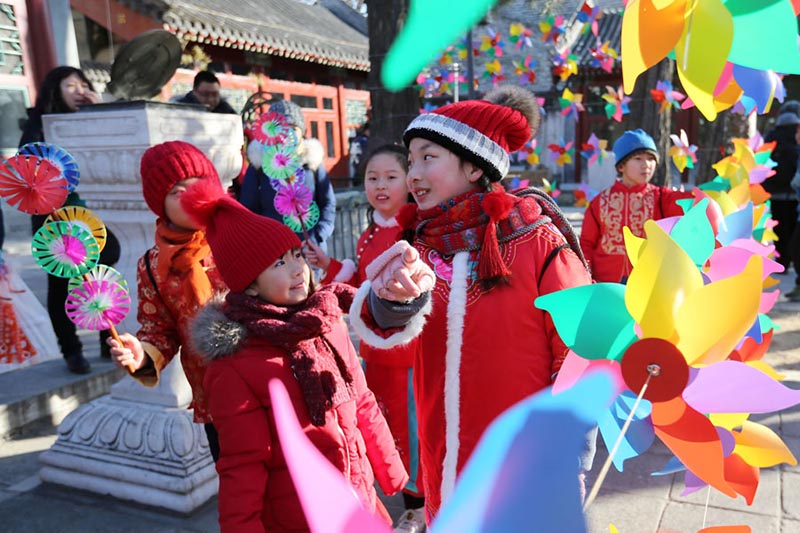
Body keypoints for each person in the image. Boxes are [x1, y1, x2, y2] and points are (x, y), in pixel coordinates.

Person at [347, 86, 594, 520]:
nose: (413, 176)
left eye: (428, 158)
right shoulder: (418, 245)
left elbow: (579, 348)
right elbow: (384, 332)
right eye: (412, 161)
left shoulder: (536, 239)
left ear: (475, 166)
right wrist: (396, 304)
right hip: (442, 461)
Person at [181, 179, 408, 532]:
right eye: (278, 264)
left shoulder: (326, 323)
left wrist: (391, 473)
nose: (297, 269)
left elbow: (362, 401)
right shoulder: (236, 367)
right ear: (249, 283)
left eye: (297, 255)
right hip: (301, 516)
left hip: (359, 500)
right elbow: (243, 464)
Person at [304, 145, 426, 533]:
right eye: (372, 178)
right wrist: (328, 267)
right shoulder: (369, 232)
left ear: (409, 182)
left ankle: (419, 503)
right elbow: (360, 286)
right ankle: (398, 493)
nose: (380, 185)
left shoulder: (417, 231)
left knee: (412, 426)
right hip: (374, 349)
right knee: (384, 426)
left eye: (391, 177)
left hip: (410, 351)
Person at [106, 141, 227, 460]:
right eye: (177, 191)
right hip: (218, 401)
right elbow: (160, 330)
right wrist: (140, 354)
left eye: (199, 185)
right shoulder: (152, 266)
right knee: (241, 493)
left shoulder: (240, 238)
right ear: (160, 205)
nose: (191, 196)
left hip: (272, 385)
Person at [19, 65, 121, 374]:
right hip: (54, 216)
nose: (79, 90)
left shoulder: (92, 119)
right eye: (70, 85)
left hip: (94, 211)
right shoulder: (39, 124)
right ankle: (72, 350)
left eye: (82, 84)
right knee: (61, 281)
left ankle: (108, 337)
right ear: (54, 90)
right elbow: (26, 165)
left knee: (103, 270)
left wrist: (99, 110)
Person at [580, 129, 693, 283]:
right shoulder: (599, 202)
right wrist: (586, 277)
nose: (646, 165)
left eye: (651, 159)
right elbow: (586, 244)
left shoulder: (662, 198)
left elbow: (695, 205)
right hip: (605, 285)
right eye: (638, 159)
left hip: (649, 285)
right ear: (621, 166)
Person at [239, 99, 337, 254]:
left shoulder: (312, 163)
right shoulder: (259, 166)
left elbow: (328, 204)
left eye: (292, 128)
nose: (286, 135)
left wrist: (318, 236)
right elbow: (248, 209)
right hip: (274, 251)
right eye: (280, 129)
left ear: (302, 132)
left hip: (310, 250)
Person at [765, 112, 800, 273]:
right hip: (794, 193)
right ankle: (792, 258)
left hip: (776, 192)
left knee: (779, 228)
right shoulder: (796, 141)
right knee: (793, 227)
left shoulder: (772, 138)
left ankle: (782, 261)